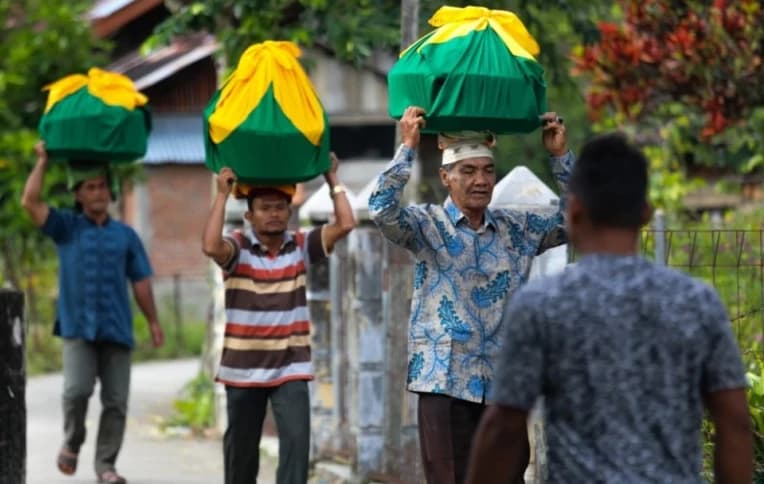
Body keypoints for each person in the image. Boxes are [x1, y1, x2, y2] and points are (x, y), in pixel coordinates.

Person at [467, 133, 753, 484]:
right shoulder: (696, 302)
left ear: (573, 213)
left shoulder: (542, 305)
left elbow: (503, 428)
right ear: (645, 214)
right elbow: (735, 422)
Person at [368, 106, 574, 484]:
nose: (481, 180)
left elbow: (579, 218)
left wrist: (559, 156)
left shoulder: (517, 229)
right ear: (446, 177)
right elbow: (381, 209)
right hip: (444, 383)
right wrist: (407, 147)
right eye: (468, 171)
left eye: (487, 170)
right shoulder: (426, 225)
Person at [202, 153, 355, 484]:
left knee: (298, 444)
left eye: (279, 207)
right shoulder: (238, 248)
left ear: (289, 211)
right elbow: (211, 246)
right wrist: (220, 195)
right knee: (241, 454)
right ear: (250, 215)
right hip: (242, 370)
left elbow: (346, 224)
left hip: (291, 368)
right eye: (265, 208)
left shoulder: (300, 245)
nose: (273, 213)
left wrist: (332, 179)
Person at [21, 141, 164, 484]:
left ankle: (105, 466)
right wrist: (42, 161)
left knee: (116, 401)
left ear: (111, 191)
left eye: (102, 186)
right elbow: (30, 202)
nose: (98, 192)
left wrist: (154, 322)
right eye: (90, 187)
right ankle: (72, 440)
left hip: (117, 328)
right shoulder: (66, 228)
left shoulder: (126, 236)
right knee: (76, 391)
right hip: (77, 328)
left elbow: (141, 281)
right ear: (79, 194)